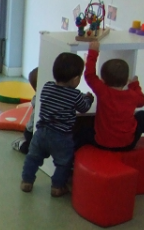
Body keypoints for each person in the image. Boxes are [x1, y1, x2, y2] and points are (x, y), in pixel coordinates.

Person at [80, 40, 144, 150]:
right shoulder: (132, 95)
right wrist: (135, 85)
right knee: (143, 116)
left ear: (102, 80)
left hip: (102, 143)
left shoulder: (102, 91)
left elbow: (89, 75)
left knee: (83, 129)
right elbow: (142, 101)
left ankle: (71, 157)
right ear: (126, 80)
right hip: (128, 144)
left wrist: (93, 52)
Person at [21, 53, 94, 197]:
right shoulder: (75, 95)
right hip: (62, 137)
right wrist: (89, 98)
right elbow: (84, 108)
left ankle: (26, 181)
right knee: (63, 163)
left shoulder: (47, 87)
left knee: (33, 158)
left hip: (41, 132)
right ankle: (57, 186)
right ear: (76, 79)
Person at [11, 68, 38, 154]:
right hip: (31, 132)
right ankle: (20, 143)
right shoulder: (37, 99)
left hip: (42, 132)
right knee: (34, 151)